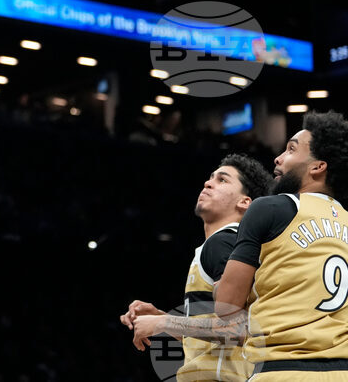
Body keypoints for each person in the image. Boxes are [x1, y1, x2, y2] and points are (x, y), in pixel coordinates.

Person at [210, 111, 348, 381]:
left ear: (317, 166)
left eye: (291, 150)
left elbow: (226, 307)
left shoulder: (269, 208)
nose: (278, 158)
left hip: (282, 368)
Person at [122, 154, 271, 381]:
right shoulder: (221, 245)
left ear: (244, 202)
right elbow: (213, 335)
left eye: (222, 180)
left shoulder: (223, 243)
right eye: (210, 178)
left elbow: (240, 329)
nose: (208, 183)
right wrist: (162, 319)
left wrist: (163, 322)